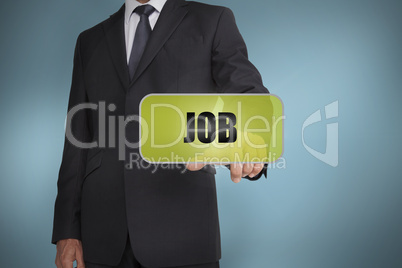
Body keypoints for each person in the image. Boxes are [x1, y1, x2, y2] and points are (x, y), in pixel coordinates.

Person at [52, 0, 269, 267]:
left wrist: (250, 141)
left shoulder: (213, 20)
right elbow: (77, 141)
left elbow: (247, 95)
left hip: (185, 230)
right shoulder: (89, 41)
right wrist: (67, 230)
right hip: (103, 236)